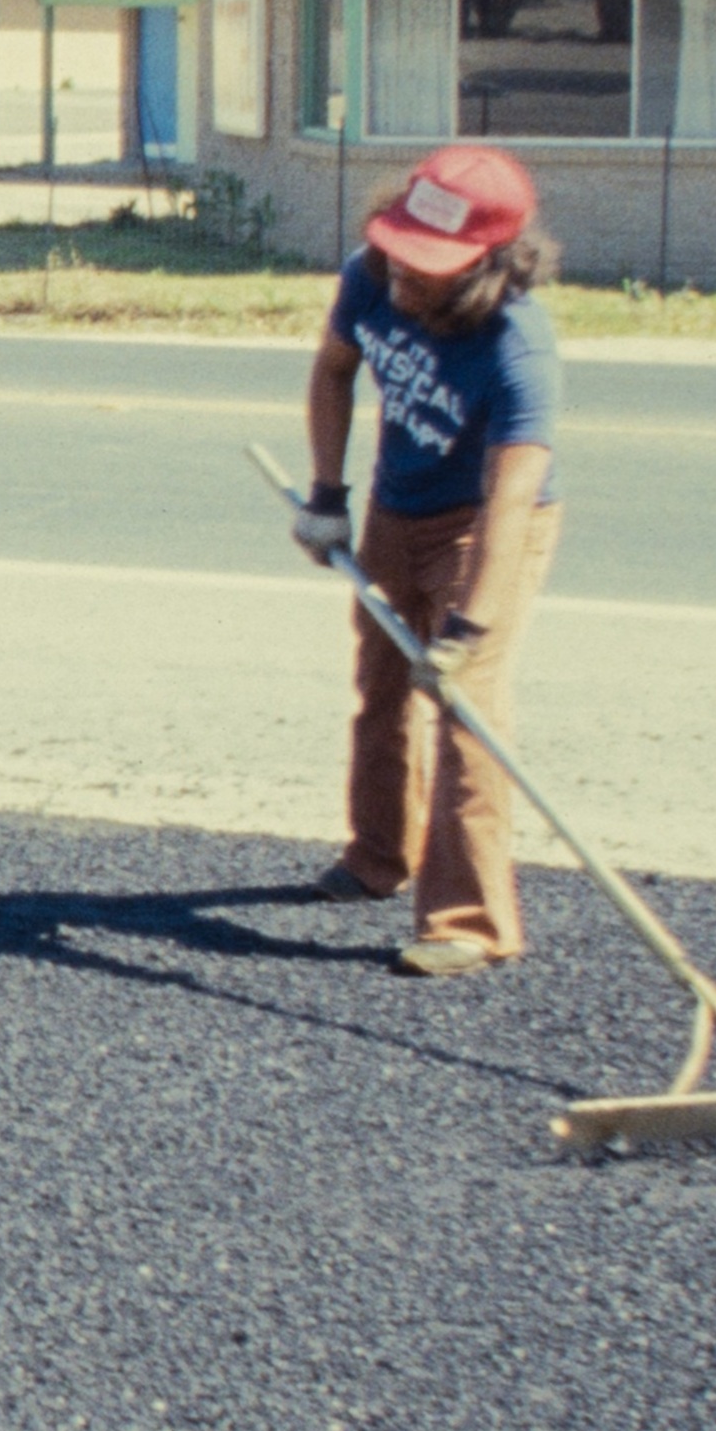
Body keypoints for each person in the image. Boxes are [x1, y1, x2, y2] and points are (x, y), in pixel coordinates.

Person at [290, 144, 561, 978]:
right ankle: (379, 855)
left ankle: (471, 923)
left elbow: (512, 496)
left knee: (464, 708)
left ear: (487, 266)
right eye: (401, 251)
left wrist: (467, 628)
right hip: (393, 506)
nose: (404, 276)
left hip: (484, 527)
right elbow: (335, 371)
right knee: (379, 681)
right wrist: (328, 496)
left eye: (428, 267)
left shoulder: (519, 346)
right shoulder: (369, 276)